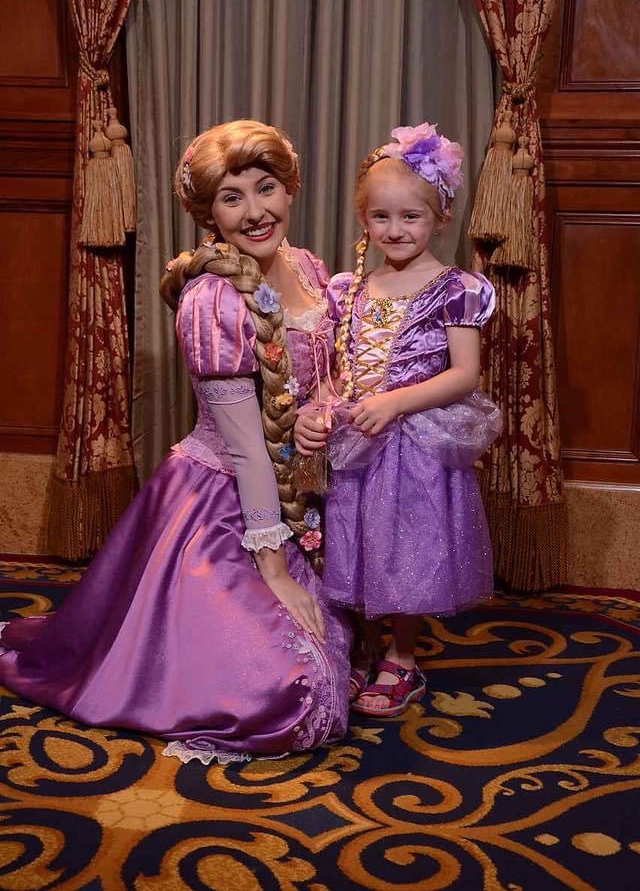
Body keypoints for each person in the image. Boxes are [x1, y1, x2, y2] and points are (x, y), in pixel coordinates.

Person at [0, 119, 350, 764]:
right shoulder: (211, 301)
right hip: (220, 510)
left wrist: (324, 414)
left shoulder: (306, 267)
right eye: (231, 197)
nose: (254, 211)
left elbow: (324, 373)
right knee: (295, 694)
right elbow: (246, 450)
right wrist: (273, 568)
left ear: (290, 187)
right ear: (207, 212)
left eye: (264, 187)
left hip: (300, 490)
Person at [295, 121, 501, 718]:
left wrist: (395, 402)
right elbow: (333, 366)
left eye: (411, 217)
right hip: (356, 437)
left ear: (441, 218)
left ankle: (403, 659)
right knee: (355, 542)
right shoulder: (347, 288)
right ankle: (361, 643)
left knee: (408, 548)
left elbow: (465, 375)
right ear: (364, 219)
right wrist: (322, 406)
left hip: (415, 441)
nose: (395, 230)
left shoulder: (456, 288)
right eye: (381, 217)